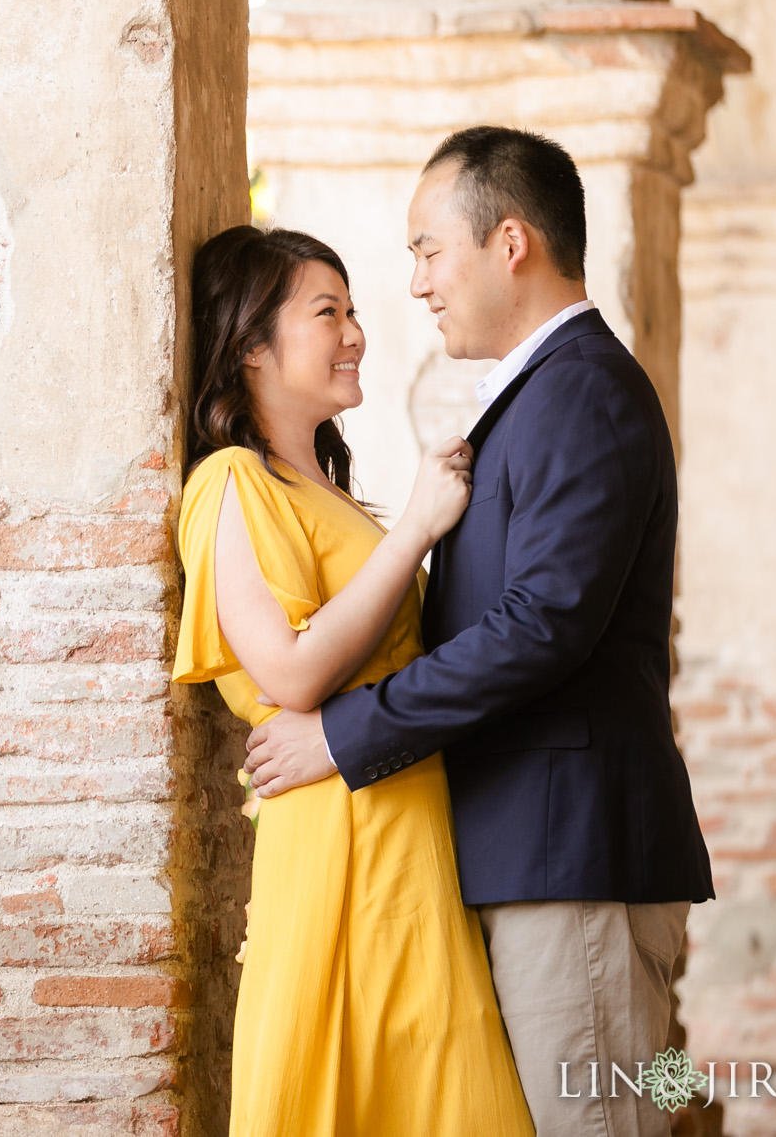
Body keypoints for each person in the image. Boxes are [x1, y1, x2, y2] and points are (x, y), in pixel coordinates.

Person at [243, 126, 715, 1137]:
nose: (414, 283)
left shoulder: (580, 391)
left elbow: (540, 625)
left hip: (572, 862)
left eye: (425, 249)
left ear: (509, 243)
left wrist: (340, 733)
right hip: (545, 857)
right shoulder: (547, 392)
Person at [173, 224, 532, 1136]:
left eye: (355, 311)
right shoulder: (231, 484)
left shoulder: (323, 491)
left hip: (408, 835)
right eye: (326, 312)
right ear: (252, 346)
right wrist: (414, 529)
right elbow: (288, 670)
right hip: (338, 840)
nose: (356, 333)